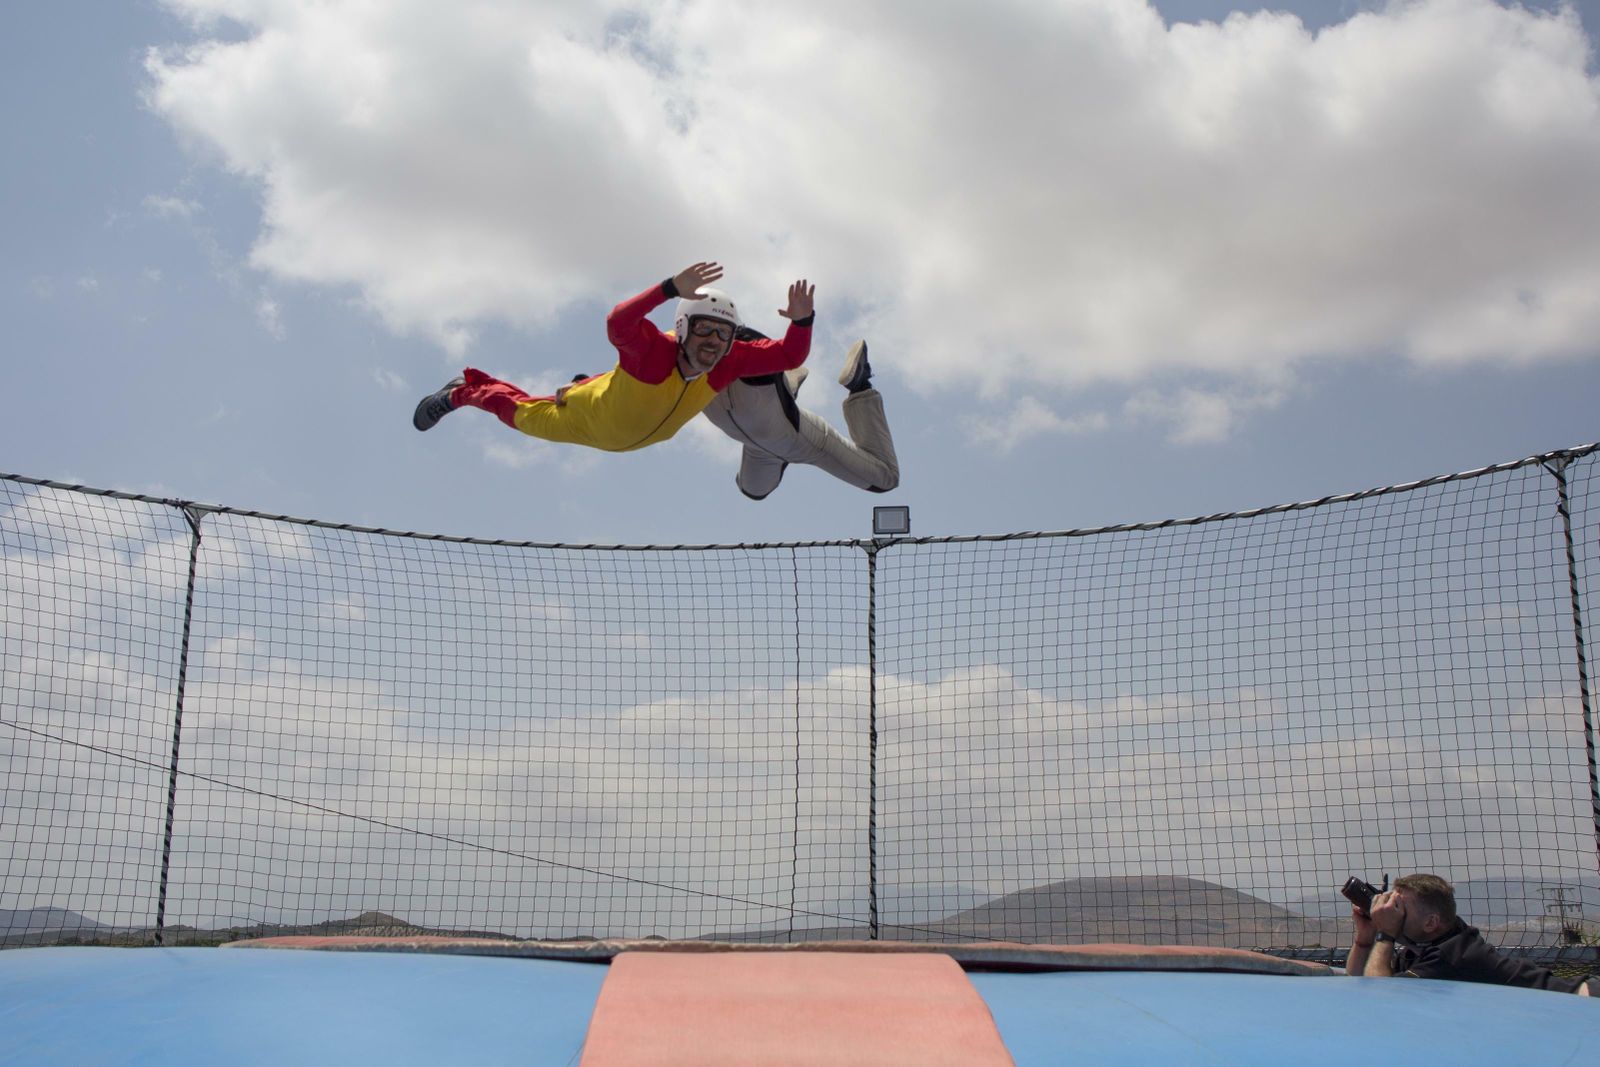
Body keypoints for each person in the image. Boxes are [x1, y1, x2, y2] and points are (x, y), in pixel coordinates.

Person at [412, 262, 814, 453]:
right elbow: (618, 322)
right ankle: (460, 392)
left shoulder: (730, 363)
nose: (713, 340)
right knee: (514, 412)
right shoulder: (656, 352)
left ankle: (583, 382)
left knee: (615, 383)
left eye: (723, 333)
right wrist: (669, 287)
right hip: (587, 421)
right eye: (704, 329)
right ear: (684, 329)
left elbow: (789, 354)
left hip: (621, 414)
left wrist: (803, 320)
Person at [699, 332, 899, 499]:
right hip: (759, 444)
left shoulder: (741, 347)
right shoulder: (687, 369)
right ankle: (786, 385)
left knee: (885, 480)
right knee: (751, 491)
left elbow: (786, 349)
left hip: (799, 438)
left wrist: (801, 322)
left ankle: (861, 385)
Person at [1346, 872, 1593, 995]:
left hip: (1580, 1001)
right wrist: (1366, 936)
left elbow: (1380, 997)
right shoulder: (1423, 946)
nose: (1391, 912)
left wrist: (1386, 934)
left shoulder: (1451, 956)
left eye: (1399, 907)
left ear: (1432, 922)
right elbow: (1361, 980)